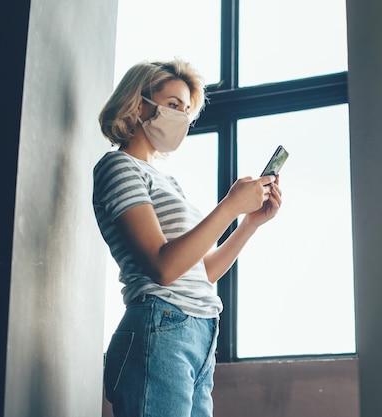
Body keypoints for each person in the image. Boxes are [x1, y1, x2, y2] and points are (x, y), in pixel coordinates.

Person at [93, 58, 282, 417]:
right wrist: (228, 207)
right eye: (173, 105)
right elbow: (163, 267)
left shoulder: (168, 181)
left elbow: (201, 271)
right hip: (160, 325)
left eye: (186, 109)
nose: (182, 116)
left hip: (198, 332)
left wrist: (249, 223)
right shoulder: (117, 167)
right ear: (139, 103)